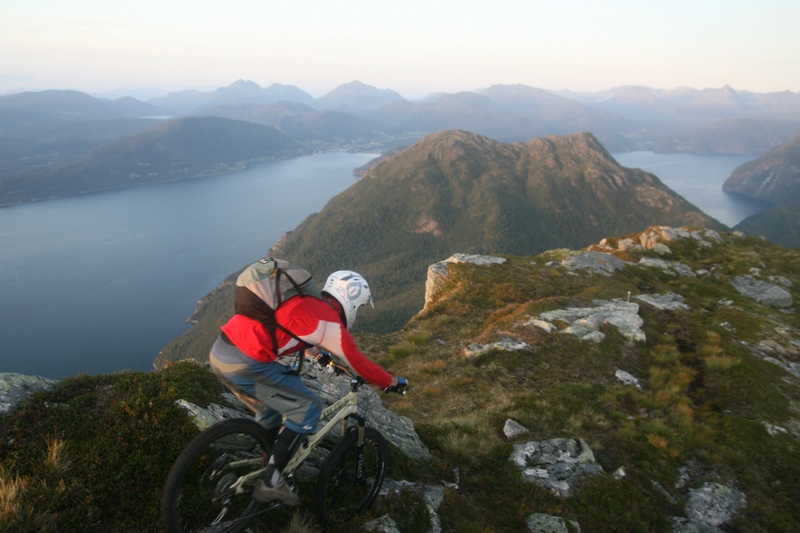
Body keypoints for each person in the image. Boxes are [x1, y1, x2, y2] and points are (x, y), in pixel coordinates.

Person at [209, 269, 408, 506]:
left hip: (221, 354)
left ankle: (266, 462)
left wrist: (319, 355)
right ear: (351, 300)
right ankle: (271, 482)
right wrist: (392, 382)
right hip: (246, 363)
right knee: (309, 407)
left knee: (271, 414)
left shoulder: (307, 302)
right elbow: (361, 364)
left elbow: (298, 330)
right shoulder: (329, 322)